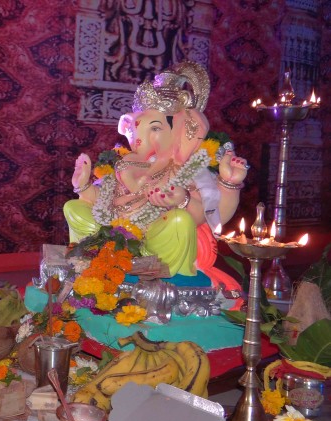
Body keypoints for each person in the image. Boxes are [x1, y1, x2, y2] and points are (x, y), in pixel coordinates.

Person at [64, 61, 249, 277]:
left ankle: (167, 282)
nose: (141, 140)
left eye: (156, 128)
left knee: (180, 221)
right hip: (114, 237)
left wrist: (188, 198)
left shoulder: (186, 171)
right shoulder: (127, 164)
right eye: (136, 128)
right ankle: (87, 267)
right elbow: (103, 200)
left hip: (156, 244)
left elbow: (212, 215)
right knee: (74, 208)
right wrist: (83, 185)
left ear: (184, 132)